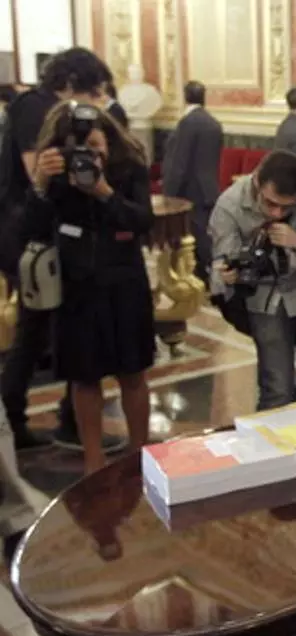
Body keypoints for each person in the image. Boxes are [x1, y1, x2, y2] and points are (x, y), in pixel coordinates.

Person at [0, 48, 123, 452]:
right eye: (94, 92)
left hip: (53, 231)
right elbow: (40, 171)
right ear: (71, 83)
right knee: (35, 329)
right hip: (29, 231)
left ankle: (69, 417)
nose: (98, 102)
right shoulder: (33, 107)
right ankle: (14, 420)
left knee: (69, 324)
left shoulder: (45, 108)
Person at [25, 100, 155, 474]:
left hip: (124, 283)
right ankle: (93, 462)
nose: (88, 155)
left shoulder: (128, 167)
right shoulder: (56, 172)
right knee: (83, 378)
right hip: (76, 286)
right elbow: (31, 228)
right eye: (79, 148)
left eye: (96, 147)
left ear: (110, 141)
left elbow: (142, 220)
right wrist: (40, 183)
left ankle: (140, 453)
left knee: (133, 372)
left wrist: (104, 191)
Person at [210, 150, 296, 411]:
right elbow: (222, 261)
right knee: (277, 390)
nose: (277, 213)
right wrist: (228, 275)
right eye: (270, 204)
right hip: (265, 299)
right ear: (257, 180)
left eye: (287, 207)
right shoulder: (229, 205)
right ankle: (272, 437)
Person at [162, 80, 223, 285]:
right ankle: (208, 276)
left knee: (197, 240)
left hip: (189, 191)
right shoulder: (213, 123)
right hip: (209, 188)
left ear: (185, 96)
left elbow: (179, 162)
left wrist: (169, 193)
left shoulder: (187, 123)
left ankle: (209, 278)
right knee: (205, 235)